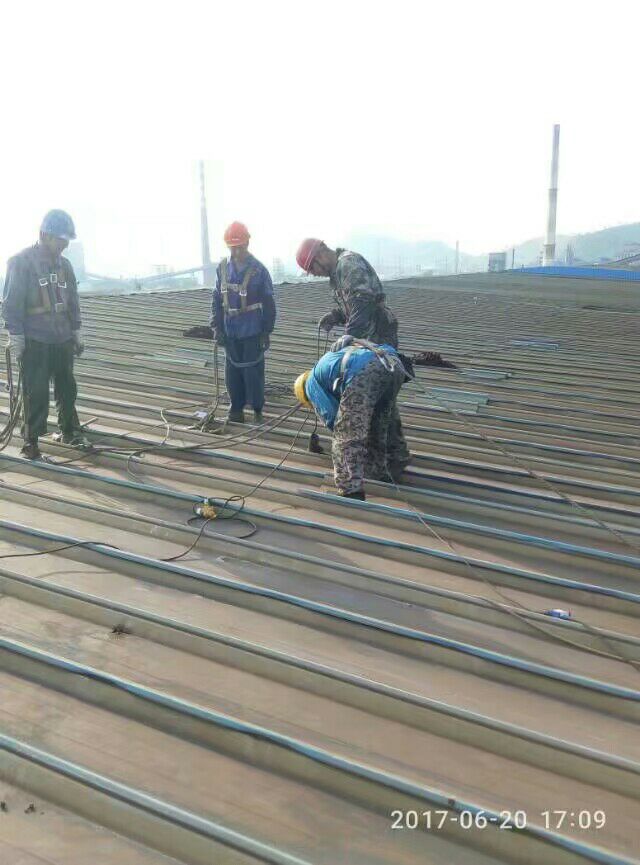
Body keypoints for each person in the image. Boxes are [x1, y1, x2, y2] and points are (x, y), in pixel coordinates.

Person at [3, 209, 86, 460]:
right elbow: (11, 304)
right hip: (35, 340)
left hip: (62, 338)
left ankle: (70, 431)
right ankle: (31, 441)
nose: (64, 245)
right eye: (60, 240)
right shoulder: (21, 262)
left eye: (66, 241)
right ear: (45, 235)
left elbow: (72, 301)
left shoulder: (65, 265)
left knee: (67, 389)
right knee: (35, 392)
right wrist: (16, 336)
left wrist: (76, 330)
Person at [294, 336, 411, 499]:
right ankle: (389, 466)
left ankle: (350, 489)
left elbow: (334, 418)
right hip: (393, 364)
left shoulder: (311, 385)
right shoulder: (326, 366)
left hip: (366, 371)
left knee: (347, 434)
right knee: (381, 421)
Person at [211, 222, 276, 423]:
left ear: (247, 243)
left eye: (240, 247)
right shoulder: (223, 268)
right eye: (233, 248)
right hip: (230, 330)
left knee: (252, 372)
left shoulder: (259, 270)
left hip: (252, 330)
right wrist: (217, 327)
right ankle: (236, 409)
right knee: (232, 371)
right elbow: (216, 300)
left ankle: (257, 409)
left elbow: (269, 303)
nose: (237, 252)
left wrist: (266, 331)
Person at [296, 239, 398, 346]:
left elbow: (363, 304)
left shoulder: (349, 263)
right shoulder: (337, 274)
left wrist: (350, 335)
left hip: (378, 338)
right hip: (365, 339)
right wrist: (337, 315)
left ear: (320, 255)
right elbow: (353, 305)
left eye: (311, 268)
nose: (314, 274)